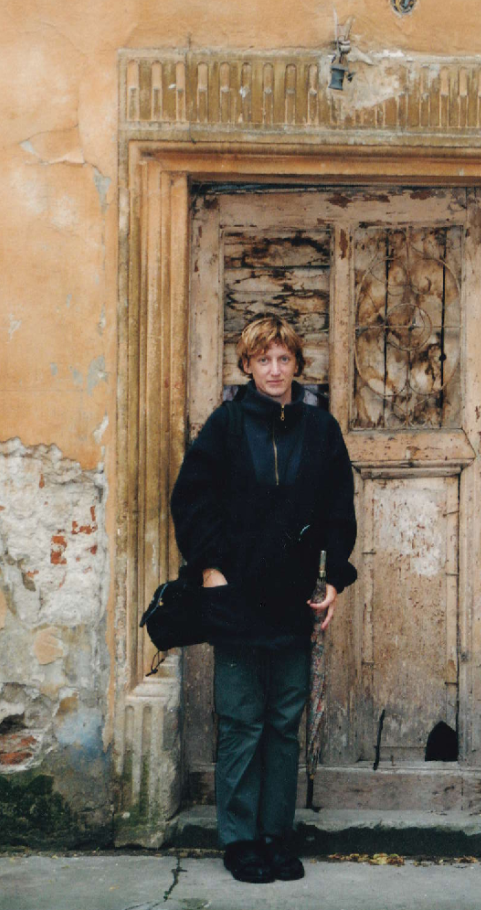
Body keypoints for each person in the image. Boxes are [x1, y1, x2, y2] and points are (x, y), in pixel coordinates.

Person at [170, 314, 357, 884]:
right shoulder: (225, 426)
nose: (274, 370)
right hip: (236, 596)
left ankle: (277, 836)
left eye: (283, 359)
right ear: (247, 366)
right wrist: (210, 568)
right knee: (242, 720)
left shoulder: (320, 429)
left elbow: (338, 509)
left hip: (294, 599)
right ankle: (240, 840)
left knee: (281, 722)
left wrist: (333, 578)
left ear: (296, 364)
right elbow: (191, 500)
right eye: (263, 360)